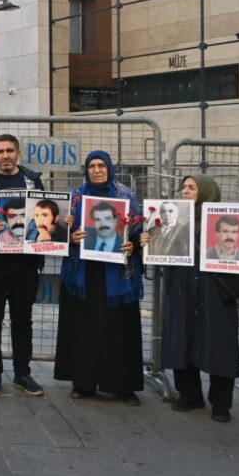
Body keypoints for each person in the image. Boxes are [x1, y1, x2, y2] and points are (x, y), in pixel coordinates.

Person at [149, 176, 239, 423]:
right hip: (181, 289)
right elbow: (159, 253)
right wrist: (148, 244)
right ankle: (189, 395)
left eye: (192, 187)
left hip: (215, 291)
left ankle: (221, 403)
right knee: (182, 341)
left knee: (220, 345)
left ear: (206, 191)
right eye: (184, 187)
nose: (185, 191)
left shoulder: (225, 220)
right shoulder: (177, 219)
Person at [54, 150, 145, 405]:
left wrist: (133, 244)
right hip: (83, 274)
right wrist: (70, 237)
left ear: (110, 168)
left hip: (118, 276)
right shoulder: (75, 196)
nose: (96, 170)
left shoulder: (126, 195)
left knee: (119, 330)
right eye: (92, 166)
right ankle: (83, 383)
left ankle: (123, 386)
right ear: (86, 169)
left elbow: (138, 229)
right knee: (84, 328)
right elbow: (61, 232)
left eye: (101, 165)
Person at [0, 134, 47, 397]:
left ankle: (22, 373)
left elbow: (45, 212)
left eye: (10, 151)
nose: (5, 156)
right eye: (0, 151)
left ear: (18, 153)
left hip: (26, 263)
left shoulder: (32, 180)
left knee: (23, 320)